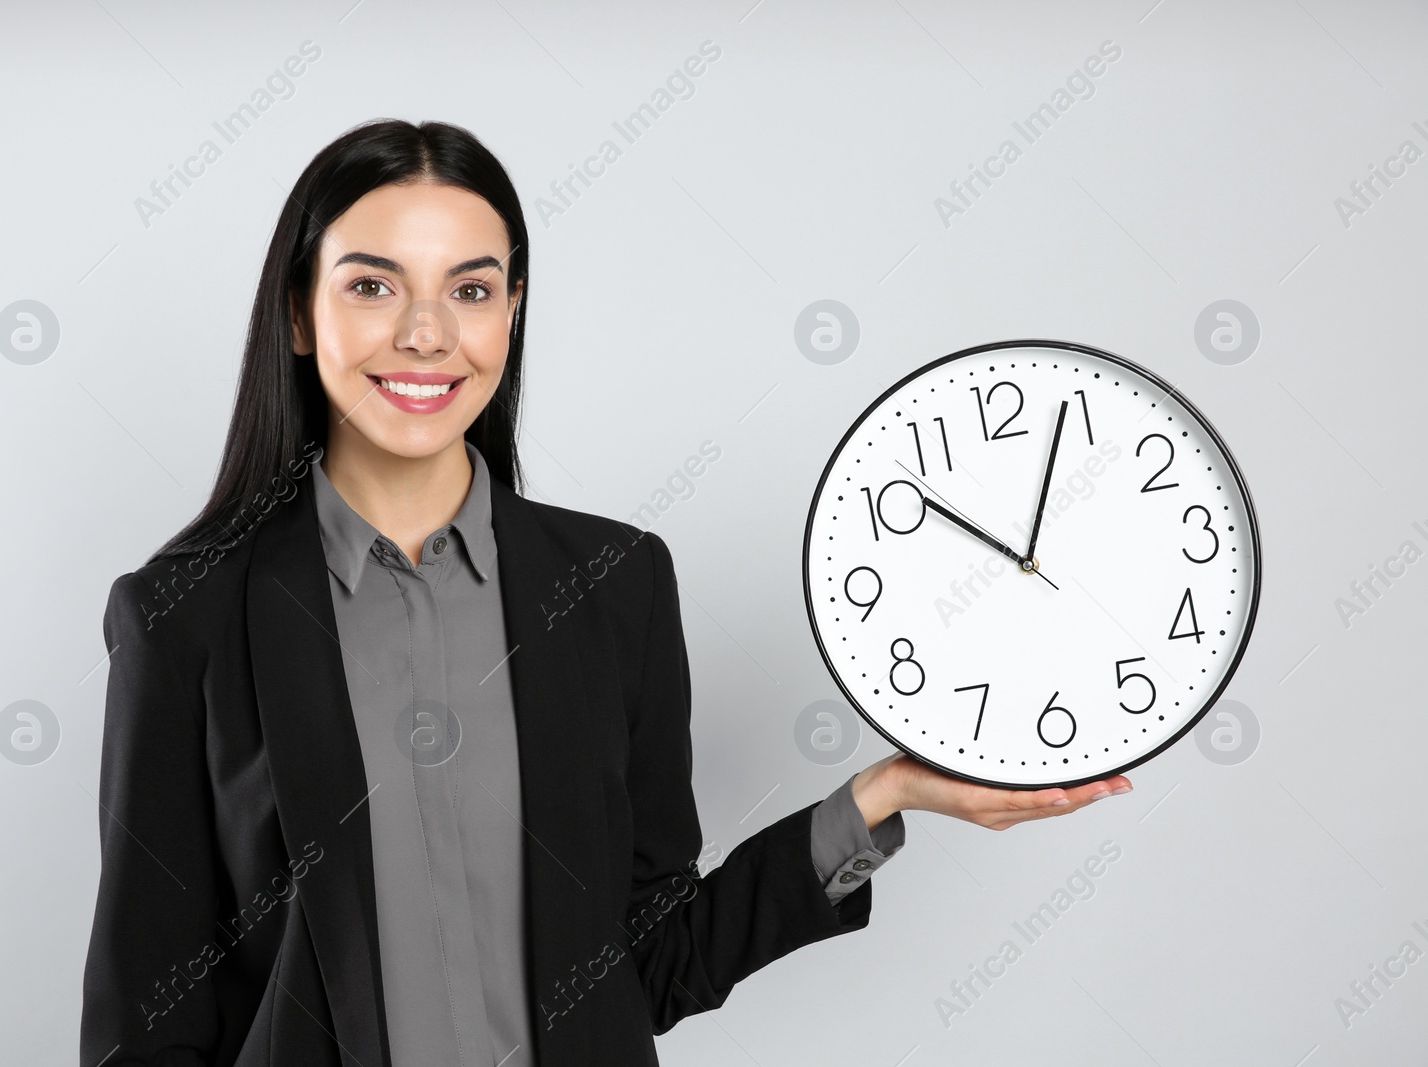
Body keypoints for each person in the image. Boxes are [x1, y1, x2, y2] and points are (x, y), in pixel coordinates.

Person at [79, 118, 1129, 1067]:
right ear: (300, 315)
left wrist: (881, 797)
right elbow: (149, 1024)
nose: (426, 332)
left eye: (471, 288)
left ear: (511, 313)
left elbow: (649, 961)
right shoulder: (187, 618)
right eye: (372, 284)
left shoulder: (614, 586)